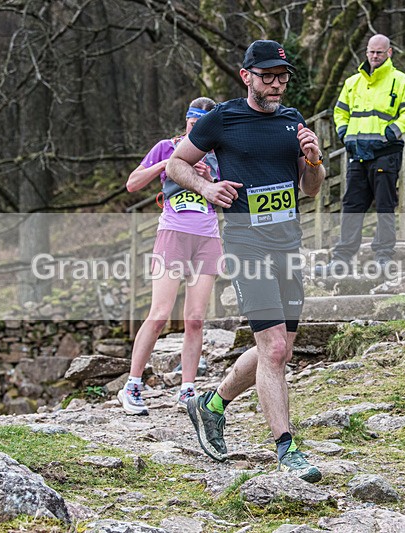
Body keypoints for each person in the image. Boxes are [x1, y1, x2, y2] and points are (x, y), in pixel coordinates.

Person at [165, 40, 326, 483]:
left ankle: (213, 404)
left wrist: (313, 158)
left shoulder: (294, 122)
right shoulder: (223, 118)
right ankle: (286, 448)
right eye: (268, 76)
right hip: (244, 244)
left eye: (282, 76)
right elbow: (177, 164)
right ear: (246, 76)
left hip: (287, 245)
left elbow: (311, 188)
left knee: (279, 349)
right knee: (273, 348)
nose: (276, 84)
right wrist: (206, 189)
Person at [117, 97, 222, 416]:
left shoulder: (220, 155)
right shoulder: (167, 146)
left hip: (207, 237)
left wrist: (208, 180)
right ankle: (132, 384)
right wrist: (169, 164)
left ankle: (187, 389)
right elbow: (132, 184)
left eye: (202, 123)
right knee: (160, 312)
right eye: (192, 122)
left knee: (195, 318)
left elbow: (232, 194)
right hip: (173, 234)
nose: (195, 127)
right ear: (186, 122)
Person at [317, 33, 405, 276]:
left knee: (384, 205)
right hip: (357, 153)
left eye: (379, 52)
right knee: (351, 205)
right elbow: (340, 112)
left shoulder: (400, 81)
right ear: (366, 52)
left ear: (389, 53)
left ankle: (383, 257)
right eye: (371, 52)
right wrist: (345, 135)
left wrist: (389, 134)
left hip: (386, 153)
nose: (374, 56)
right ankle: (341, 261)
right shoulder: (353, 82)